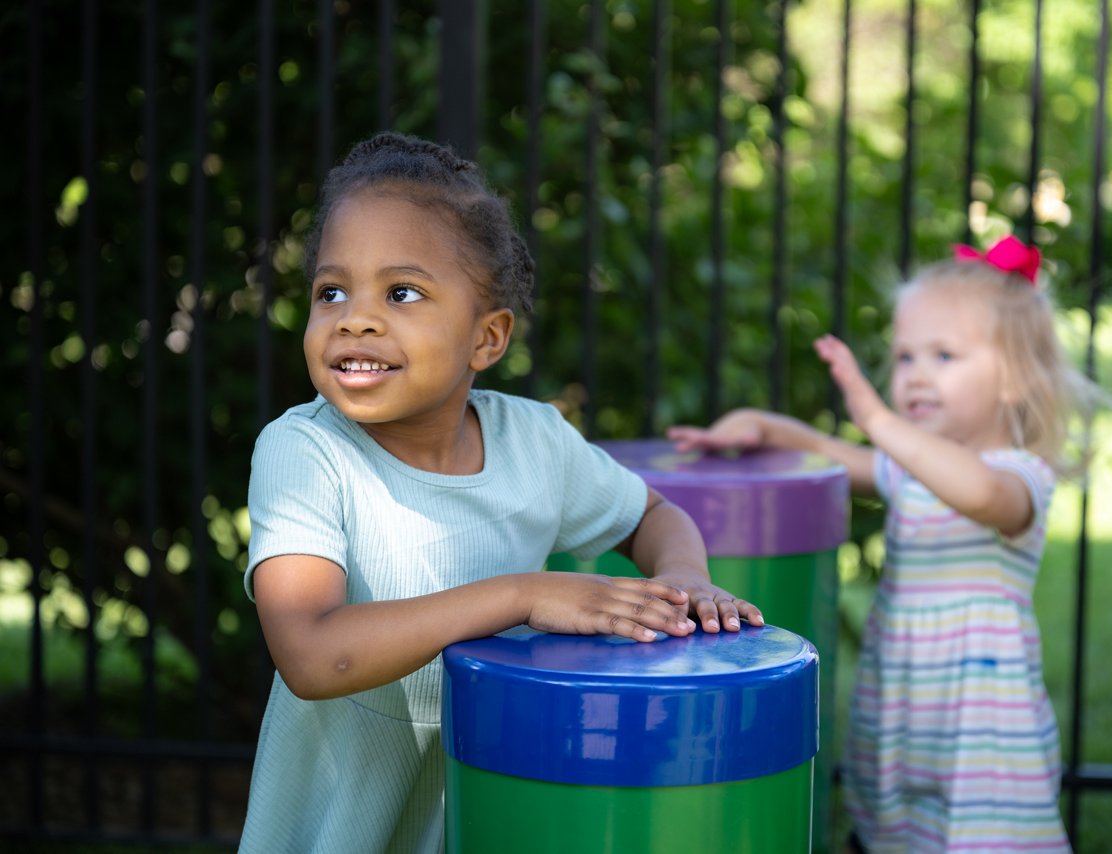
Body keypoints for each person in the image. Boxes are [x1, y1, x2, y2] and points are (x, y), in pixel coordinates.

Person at [240, 131, 764, 854]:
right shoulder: (306, 452)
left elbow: (652, 513)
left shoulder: (535, 444)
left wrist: (684, 578)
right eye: (331, 290)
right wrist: (521, 595)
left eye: (401, 292)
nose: (353, 317)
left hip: (492, 814)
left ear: (487, 339)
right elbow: (311, 653)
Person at [668, 235, 1096, 853]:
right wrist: (760, 426)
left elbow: (976, 494)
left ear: (1015, 378)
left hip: (979, 723)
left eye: (944, 356)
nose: (916, 375)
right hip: (905, 698)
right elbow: (828, 454)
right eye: (903, 357)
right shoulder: (909, 468)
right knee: (897, 832)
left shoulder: (1021, 474)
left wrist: (878, 420)